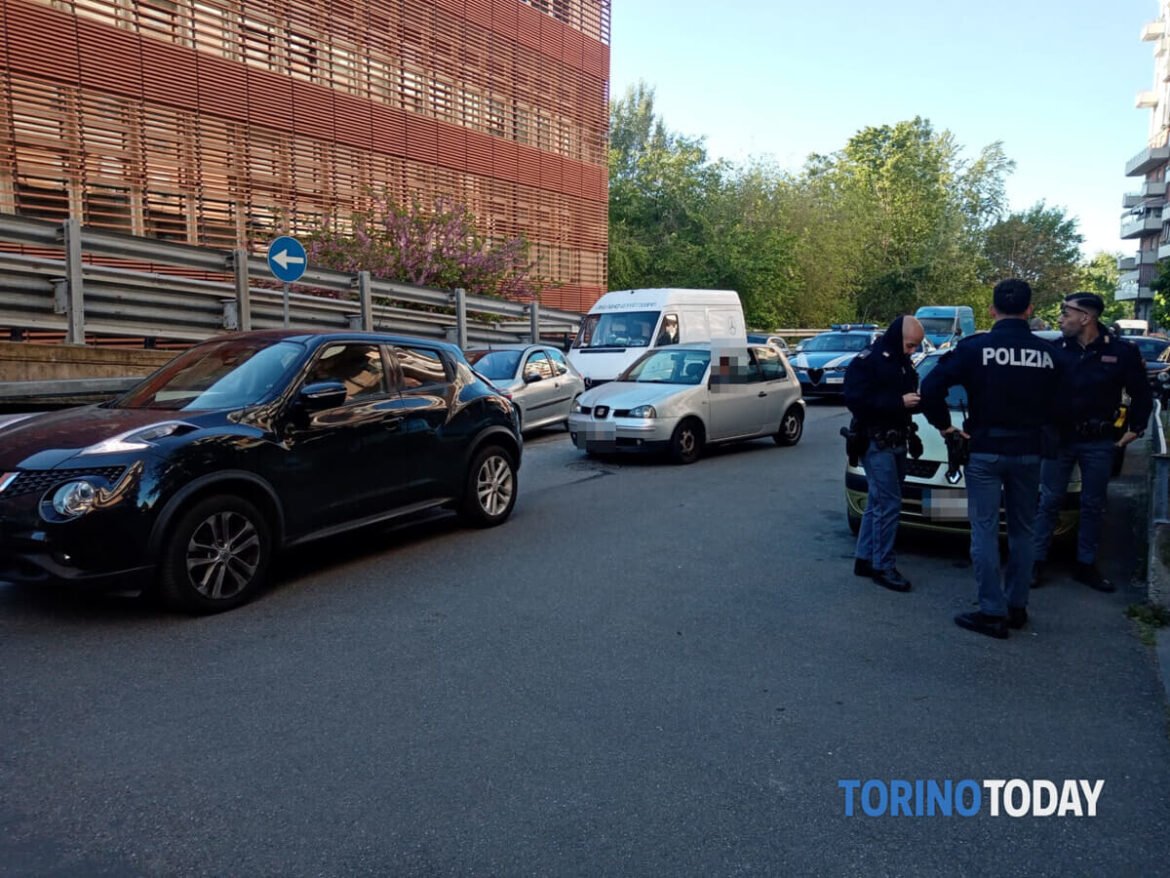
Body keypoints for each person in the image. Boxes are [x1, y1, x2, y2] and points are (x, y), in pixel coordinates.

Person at [919, 279, 1063, 639]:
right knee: (1022, 531)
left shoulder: (974, 348)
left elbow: (930, 388)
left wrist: (945, 427)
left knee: (983, 529)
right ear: (1030, 310)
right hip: (1030, 452)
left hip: (984, 450)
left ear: (991, 310)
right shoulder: (1050, 353)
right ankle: (1017, 607)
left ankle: (991, 611)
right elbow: (1071, 399)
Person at [1031, 292, 1153, 593]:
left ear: (1086, 317)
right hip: (1059, 439)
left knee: (1093, 504)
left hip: (1098, 441)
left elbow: (1141, 393)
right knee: (1048, 501)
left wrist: (1136, 427)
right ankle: (1035, 562)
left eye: (1066, 312)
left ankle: (1085, 565)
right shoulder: (1055, 349)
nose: (1061, 318)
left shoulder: (1122, 352)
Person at [843, 315, 925, 593]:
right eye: (910, 345)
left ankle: (865, 558)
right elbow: (855, 400)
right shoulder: (869, 361)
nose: (912, 351)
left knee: (879, 502)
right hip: (875, 440)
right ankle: (883, 565)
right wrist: (897, 402)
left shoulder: (902, 362)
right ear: (896, 337)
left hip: (897, 438)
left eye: (916, 347)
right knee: (889, 504)